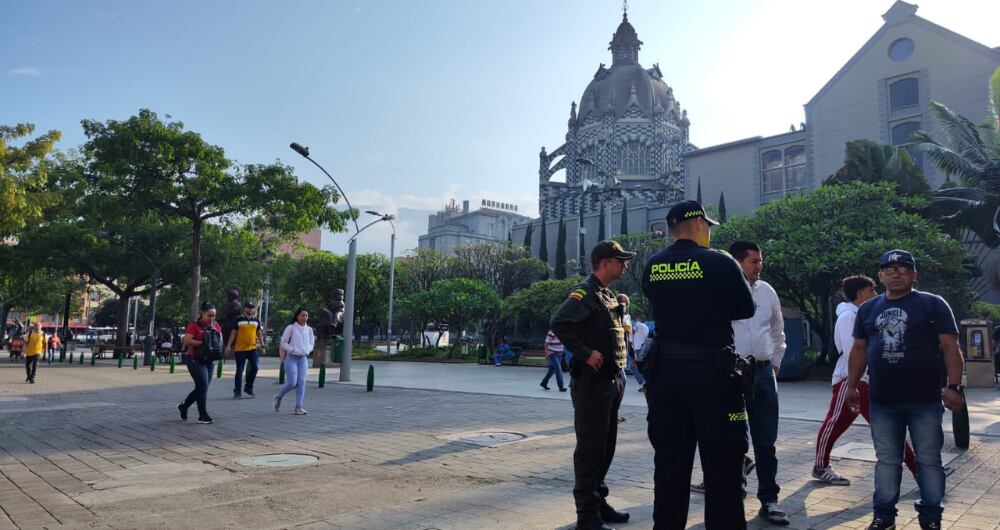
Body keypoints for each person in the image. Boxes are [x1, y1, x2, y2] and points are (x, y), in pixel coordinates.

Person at [641, 200, 755, 529]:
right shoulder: (719, 262)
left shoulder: (654, 265)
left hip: (666, 378)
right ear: (701, 225)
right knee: (724, 468)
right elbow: (745, 309)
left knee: (670, 467)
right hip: (714, 377)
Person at [845, 250, 964, 530]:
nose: (896, 272)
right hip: (883, 400)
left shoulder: (932, 304)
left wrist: (955, 387)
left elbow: (950, 347)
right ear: (880, 275)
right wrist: (851, 386)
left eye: (903, 267)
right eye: (889, 267)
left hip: (924, 399)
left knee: (929, 460)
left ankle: (931, 516)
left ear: (914, 274)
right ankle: (884, 515)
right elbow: (859, 350)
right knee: (887, 460)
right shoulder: (868, 309)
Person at [551, 240, 634, 530]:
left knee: (606, 448)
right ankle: (586, 515)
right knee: (590, 450)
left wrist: (619, 374)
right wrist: (585, 353)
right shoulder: (584, 293)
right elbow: (559, 322)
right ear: (604, 262)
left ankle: (598, 502)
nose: (624, 264)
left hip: (610, 382)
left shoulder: (608, 295)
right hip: (591, 385)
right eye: (619, 259)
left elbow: (615, 336)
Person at [814, 275, 917, 485]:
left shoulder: (864, 314)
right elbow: (853, 351)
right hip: (851, 380)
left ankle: (919, 468)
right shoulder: (848, 317)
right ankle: (820, 466)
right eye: (872, 290)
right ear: (860, 293)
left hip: (868, 380)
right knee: (836, 424)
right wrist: (854, 382)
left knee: (881, 425)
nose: (876, 294)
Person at [728, 241, 789, 525]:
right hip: (731, 376)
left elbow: (778, 331)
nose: (760, 266)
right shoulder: (721, 291)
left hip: (764, 375)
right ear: (738, 262)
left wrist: (775, 363)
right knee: (731, 439)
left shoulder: (767, 291)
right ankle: (733, 494)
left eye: (760, 261)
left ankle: (770, 499)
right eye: (754, 261)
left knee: (766, 441)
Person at [179, 302, 223, 424]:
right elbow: (187, 341)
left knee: (202, 387)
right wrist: (203, 343)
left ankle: (184, 406)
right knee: (203, 386)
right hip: (194, 359)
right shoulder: (194, 326)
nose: (212, 318)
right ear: (202, 314)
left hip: (209, 359)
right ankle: (202, 414)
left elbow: (218, 340)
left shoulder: (216, 325)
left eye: (214, 315)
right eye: (209, 315)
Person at [275, 308, 315, 415]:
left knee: (302, 382)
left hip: (303, 359)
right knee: (293, 383)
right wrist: (293, 350)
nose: (305, 318)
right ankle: (279, 397)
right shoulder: (291, 328)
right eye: (302, 315)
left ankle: (298, 407)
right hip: (291, 358)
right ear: (297, 316)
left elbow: (311, 343)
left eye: (306, 315)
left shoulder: (309, 330)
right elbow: (283, 343)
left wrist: (308, 350)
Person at [227, 302, 264, 399]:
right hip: (240, 349)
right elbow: (233, 334)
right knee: (239, 370)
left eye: (252, 308)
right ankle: (237, 392)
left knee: (255, 367)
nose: (250, 310)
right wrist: (228, 346)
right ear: (244, 308)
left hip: (252, 348)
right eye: (248, 308)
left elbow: (259, 334)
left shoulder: (256, 320)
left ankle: (248, 388)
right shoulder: (238, 319)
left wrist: (262, 346)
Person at [631, 313, 649, 392]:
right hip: (643, 348)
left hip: (637, 348)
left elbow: (632, 332)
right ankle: (645, 384)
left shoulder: (638, 324)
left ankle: (643, 382)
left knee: (634, 366)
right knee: (641, 366)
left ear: (639, 319)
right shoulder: (646, 327)